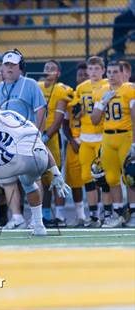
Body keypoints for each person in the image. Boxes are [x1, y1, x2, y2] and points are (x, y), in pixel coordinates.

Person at [0, 91, 70, 238]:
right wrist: (56, 173)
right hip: (41, 156)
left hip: (19, 156)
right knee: (28, 182)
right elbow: (38, 141)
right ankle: (39, 226)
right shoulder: (13, 115)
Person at [0, 49, 47, 229]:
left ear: (20, 67)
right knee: (8, 179)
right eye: (6, 64)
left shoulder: (30, 84)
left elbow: (40, 110)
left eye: (13, 65)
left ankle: (36, 217)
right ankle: (17, 217)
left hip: (26, 139)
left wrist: (38, 135)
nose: (9, 68)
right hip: (5, 141)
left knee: (32, 178)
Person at [91, 61, 135, 227]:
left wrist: (134, 143)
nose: (111, 75)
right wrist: (102, 103)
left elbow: (134, 117)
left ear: (122, 73)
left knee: (130, 177)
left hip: (125, 136)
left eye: (115, 72)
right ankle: (117, 214)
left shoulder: (130, 90)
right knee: (111, 178)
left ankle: (133, 213)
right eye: (109, 72)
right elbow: (95, 120)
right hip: (108, 139)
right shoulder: (101, 91)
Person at [74, 56, 111, 227]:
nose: (94, 72)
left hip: (102, 136)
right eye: (91, 69)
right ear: (87, 70)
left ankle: (109, 212)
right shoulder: (81, 88)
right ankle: (94, 214)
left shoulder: (107, 86)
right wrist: (76, 134)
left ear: (103, 70)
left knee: (104, 177)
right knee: (86, 176)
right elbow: (75, 113)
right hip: (86, 137)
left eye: (97, 69)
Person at [38, 60, 73, 227]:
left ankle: (59, 215)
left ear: (58, 73)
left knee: (56, 179)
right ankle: (44, 216)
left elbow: (58, 119)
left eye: (52, 68)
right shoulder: (36, 86)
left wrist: (45, 136)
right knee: (42, 181)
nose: (48, 71)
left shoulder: (61, 89)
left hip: (51, 138)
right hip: (35, 135)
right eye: (46, 68)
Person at [63, 62, 89, 226]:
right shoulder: (70, 97)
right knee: (75, 181)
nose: (83, 78)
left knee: (96, 178)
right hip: (75, 143)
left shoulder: (98, 94)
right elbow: (65, 124)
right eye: (80, 75)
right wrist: (72, 140)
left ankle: (98, 212)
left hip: (92, 140)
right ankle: (81, 215)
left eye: (85, 75)